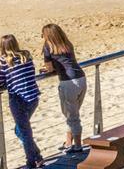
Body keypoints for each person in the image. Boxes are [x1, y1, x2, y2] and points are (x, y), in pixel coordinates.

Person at [0, 35, 44, 168]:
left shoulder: (4, 60)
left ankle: (31, 161)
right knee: (21, 130)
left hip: (18, 99)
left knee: (23, 131)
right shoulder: (26, 55)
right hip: (33, 97)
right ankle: (37, 156)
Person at [40, 24, 86, 154]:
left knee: (72, 116)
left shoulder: (48, 47)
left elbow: (49, 67)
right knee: (71, 114)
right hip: (81, 78)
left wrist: (48, 69)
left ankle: (77, 146)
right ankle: (68, 143)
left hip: (68, 82)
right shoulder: (67, 44)